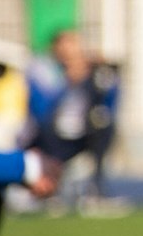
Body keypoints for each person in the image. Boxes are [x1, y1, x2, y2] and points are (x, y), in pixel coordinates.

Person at [24, 29, 125, 215]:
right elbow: (41, 110)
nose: (73, 52)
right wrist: (69, 81)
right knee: (47, 131)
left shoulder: (90, 71)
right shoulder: (43, 69)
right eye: (68, 45)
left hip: (80, 132)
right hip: (47, 134)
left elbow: (110, 101)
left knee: (104, 125)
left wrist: (99, 75)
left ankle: (95, 191)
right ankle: (50, 191)